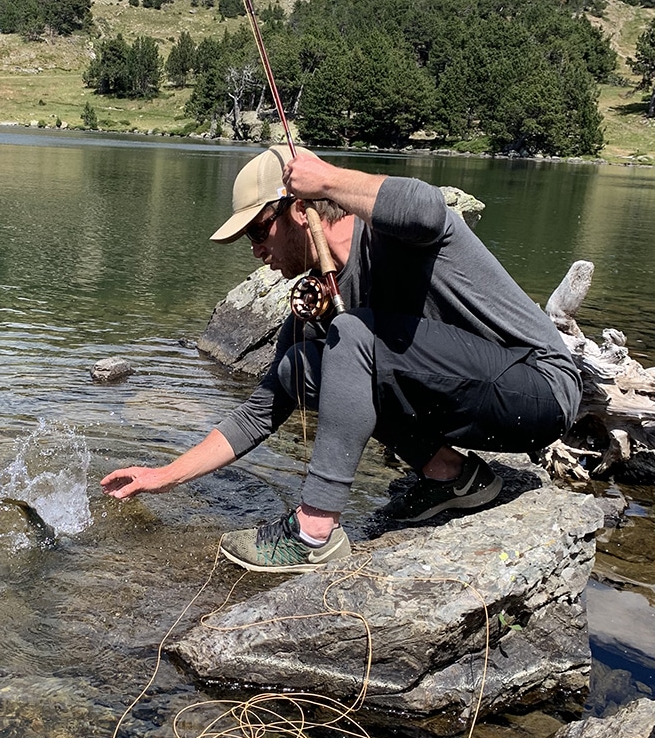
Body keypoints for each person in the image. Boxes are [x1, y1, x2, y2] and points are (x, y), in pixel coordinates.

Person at [101, 147, 582, 573]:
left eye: (260, 229)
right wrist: (163, 475)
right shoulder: (323, 294)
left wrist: (327, 178)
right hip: (481, 403)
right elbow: (261, 410)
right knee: (303, 367)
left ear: (299, 208)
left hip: (539, 389)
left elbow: (429, 208)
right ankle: (455, 480)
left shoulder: (390, 233)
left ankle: (314, 531)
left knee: (352, 332)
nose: (256, 250)